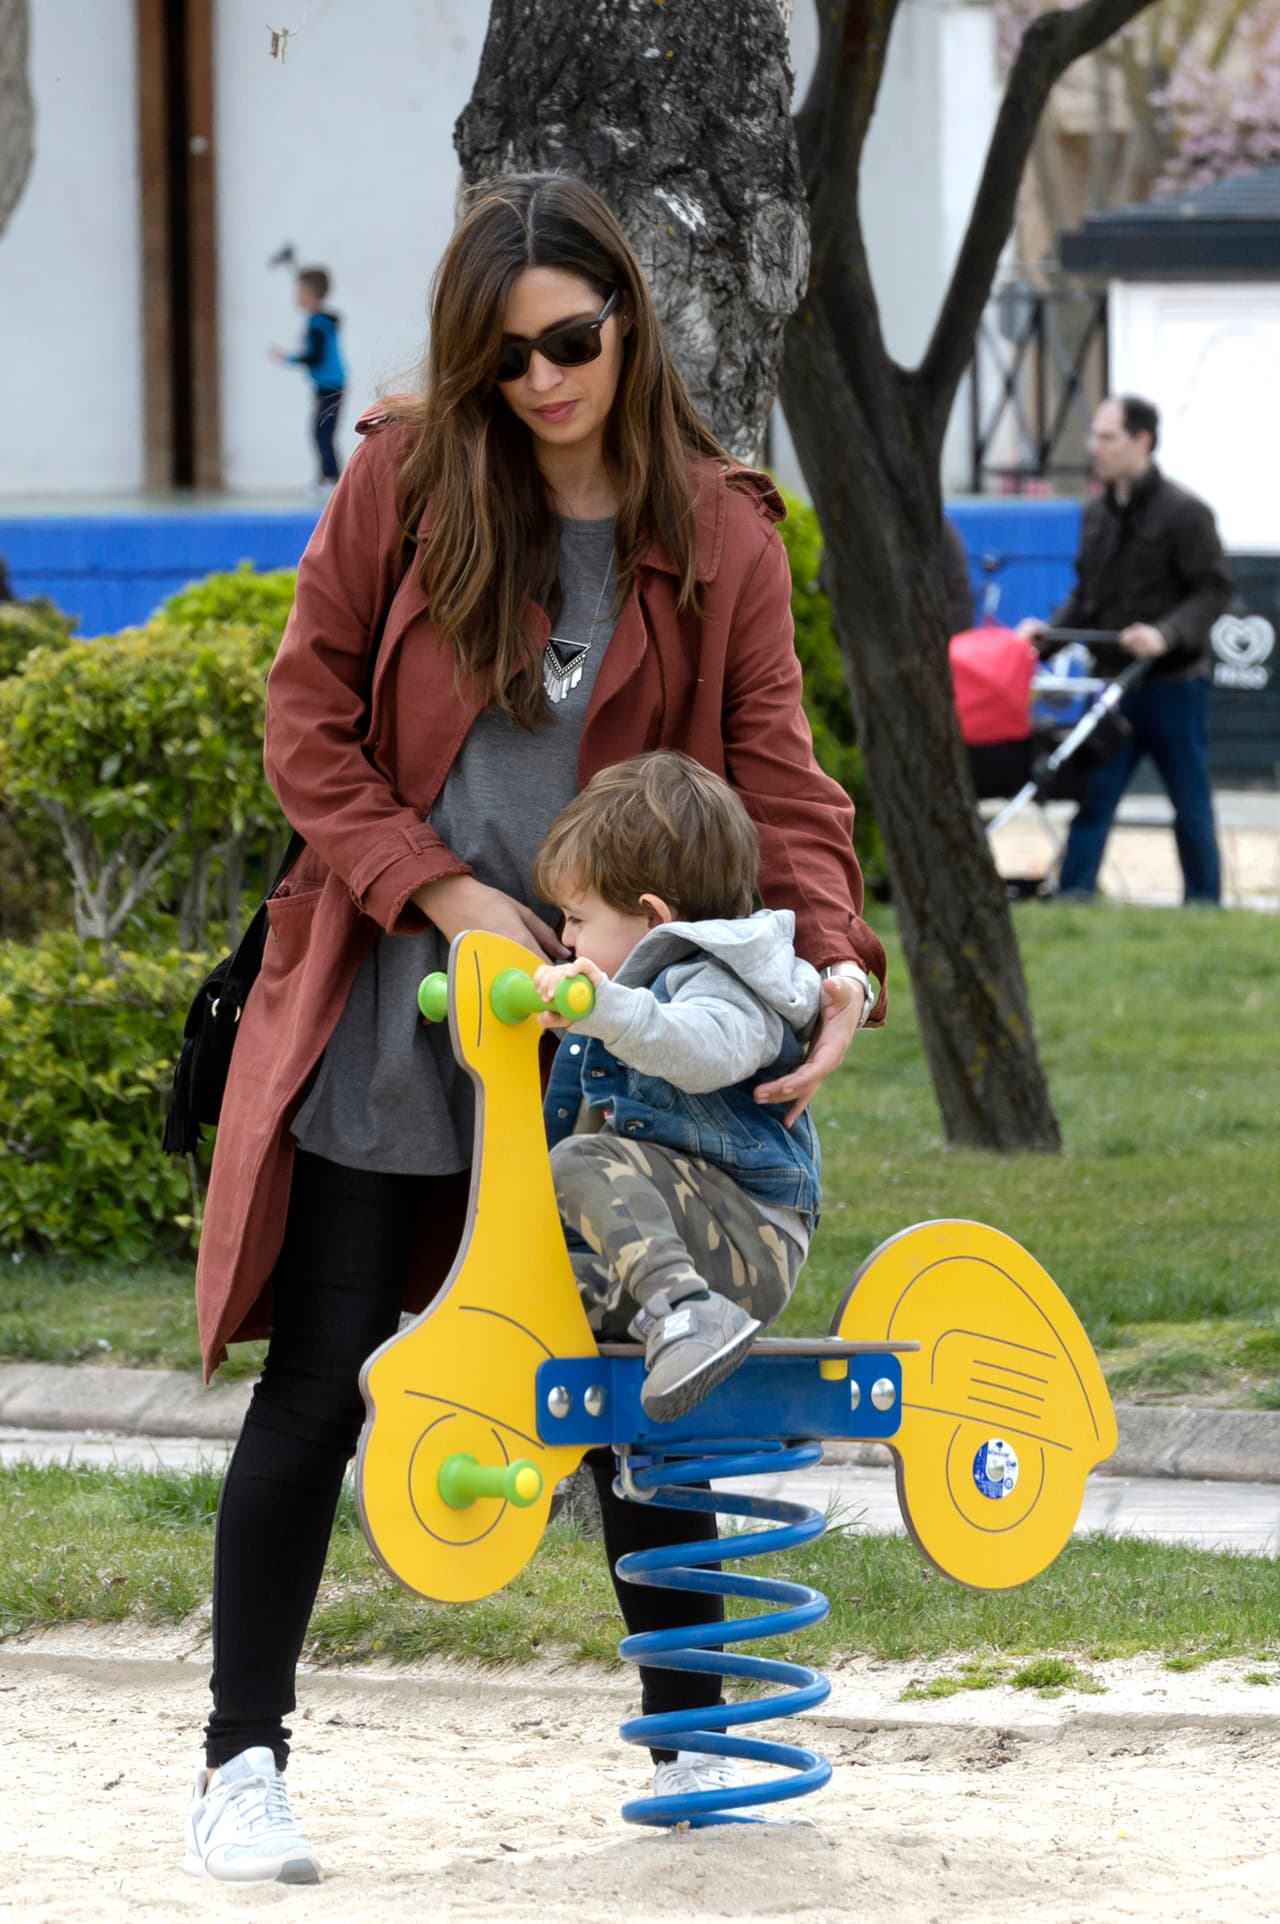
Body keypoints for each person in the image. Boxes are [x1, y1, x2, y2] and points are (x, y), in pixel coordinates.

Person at [185, 172, 885, 1884]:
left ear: (627, 318)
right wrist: (433, 887)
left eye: (570, 340)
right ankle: (240, 1759)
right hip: (401, 992)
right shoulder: (407, 484)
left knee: (650, 1360)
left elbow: (779, 775)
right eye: (506, 359)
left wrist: (840, 961)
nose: (543, 380)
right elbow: (306, 728)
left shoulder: (719, 528)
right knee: (325, 1375)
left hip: (606, 1021)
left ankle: (705, 1739)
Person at [531, 750, 825, 1425]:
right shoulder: (617, 1005)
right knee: (539, 1292)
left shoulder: (725, 984)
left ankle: (692, 1315)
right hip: (687, 1239)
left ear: (653, 917)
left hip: (750, 1239)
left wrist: (605, 1012)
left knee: (582, 1161)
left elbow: (699, 1050)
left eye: (578, 918)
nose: (563, 936)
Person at [1019, 395, 1232, 903]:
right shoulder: (1097, 514)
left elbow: (1214, 590)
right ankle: (1073, 899)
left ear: (1143, 441)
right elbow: (1086, 598)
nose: (1094, 447)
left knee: (1190, 802)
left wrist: (1166, 634)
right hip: (1111, 686)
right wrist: (1045, 640)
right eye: (1093, 435)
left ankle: (1205, 905)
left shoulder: (1186, 513)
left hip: (1173, 686)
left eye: (1106, 437)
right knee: (1096, 795)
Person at [269, 265, 347, 493]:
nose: (295, 295)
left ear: (310, 293)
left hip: (330, 386)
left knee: (323, 432)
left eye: (299, 290)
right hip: (325, 386)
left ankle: (332, 480)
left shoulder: (318, 322)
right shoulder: (320, 319)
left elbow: (315, 355)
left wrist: (287, 357)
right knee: (320, 432)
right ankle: (327, 478)